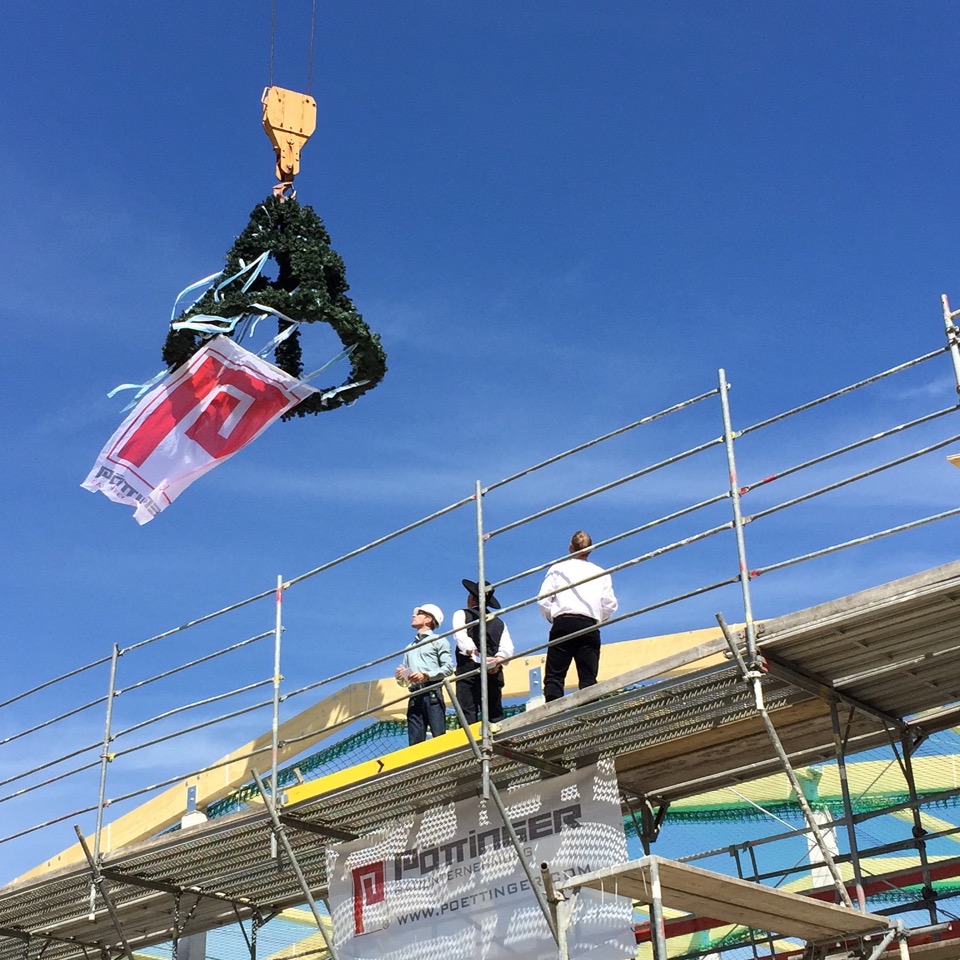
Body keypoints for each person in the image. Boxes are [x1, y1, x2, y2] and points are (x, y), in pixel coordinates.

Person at [537, 531, 618, 701]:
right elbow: (610, 605)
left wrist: (554, 617)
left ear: (570, 547)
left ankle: (553, 715)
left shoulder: (558, 569)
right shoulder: (601, 572)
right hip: (589, 625)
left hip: (564, 622)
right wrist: (597, 618)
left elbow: (543, 599)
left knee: (555, 676)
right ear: (591, 549)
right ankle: (588, 715)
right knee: (588, 678)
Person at [452, 579, 514, 724]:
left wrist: (476, 655)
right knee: (494, 713)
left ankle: (470, 745)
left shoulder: (461, 614)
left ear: (472, 597)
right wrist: (497, 660)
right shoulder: (499, 622)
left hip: (469, 670)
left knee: (468, 712)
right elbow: (507, 648)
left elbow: (461, 638)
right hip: (493, 670)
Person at [395, 603, 454, 745]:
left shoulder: (439, 641)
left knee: (438, 735)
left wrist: (426, 675)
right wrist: (401, 676)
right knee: (415, 741)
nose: (414, 616)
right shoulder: (409, 648)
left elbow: (448, 668)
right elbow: (405, 681)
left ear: (428, 619)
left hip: (432, 692)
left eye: (418, 614)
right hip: (415, 695)